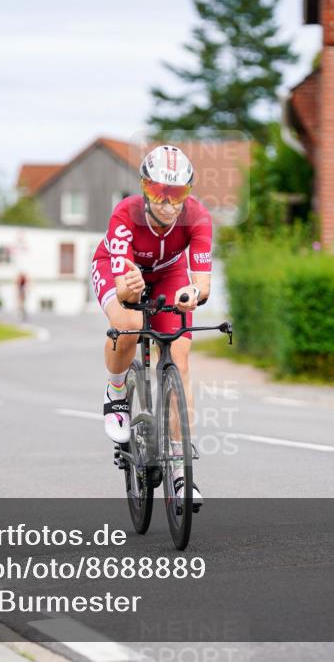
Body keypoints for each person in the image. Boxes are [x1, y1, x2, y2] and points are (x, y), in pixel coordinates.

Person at [90, 145, 212, 509]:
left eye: (178, 193)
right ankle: (115, 392)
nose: (168, 202)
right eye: (160, 191)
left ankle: (179, 467)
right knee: (128, 323)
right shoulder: (125, 213)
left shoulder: (198, 217)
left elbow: (203, 283)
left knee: (180, 355)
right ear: (145, 187)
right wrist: (130, 288)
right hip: (123, 271)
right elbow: (125, 283)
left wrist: (192, 293)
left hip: (169, 273)